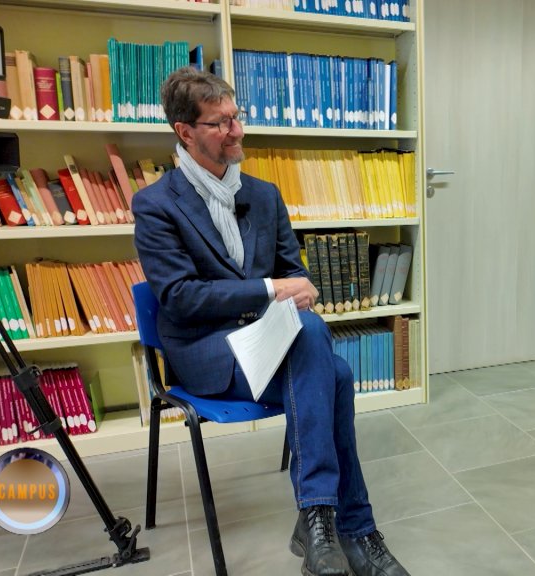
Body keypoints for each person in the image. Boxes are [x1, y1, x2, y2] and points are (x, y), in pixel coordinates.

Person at [132, 66, 410, 576]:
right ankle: (351, 528)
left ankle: (321, 520)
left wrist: (290, 288)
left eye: (236, 117)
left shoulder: (263, 195)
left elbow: (293, 272)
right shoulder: (155, 205)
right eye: (220, 123)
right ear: (185, 132)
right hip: (207, 352)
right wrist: (269, 290)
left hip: (271, 341)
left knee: (313, 338)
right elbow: (179, 298)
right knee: (334, 372)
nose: (236, 130)